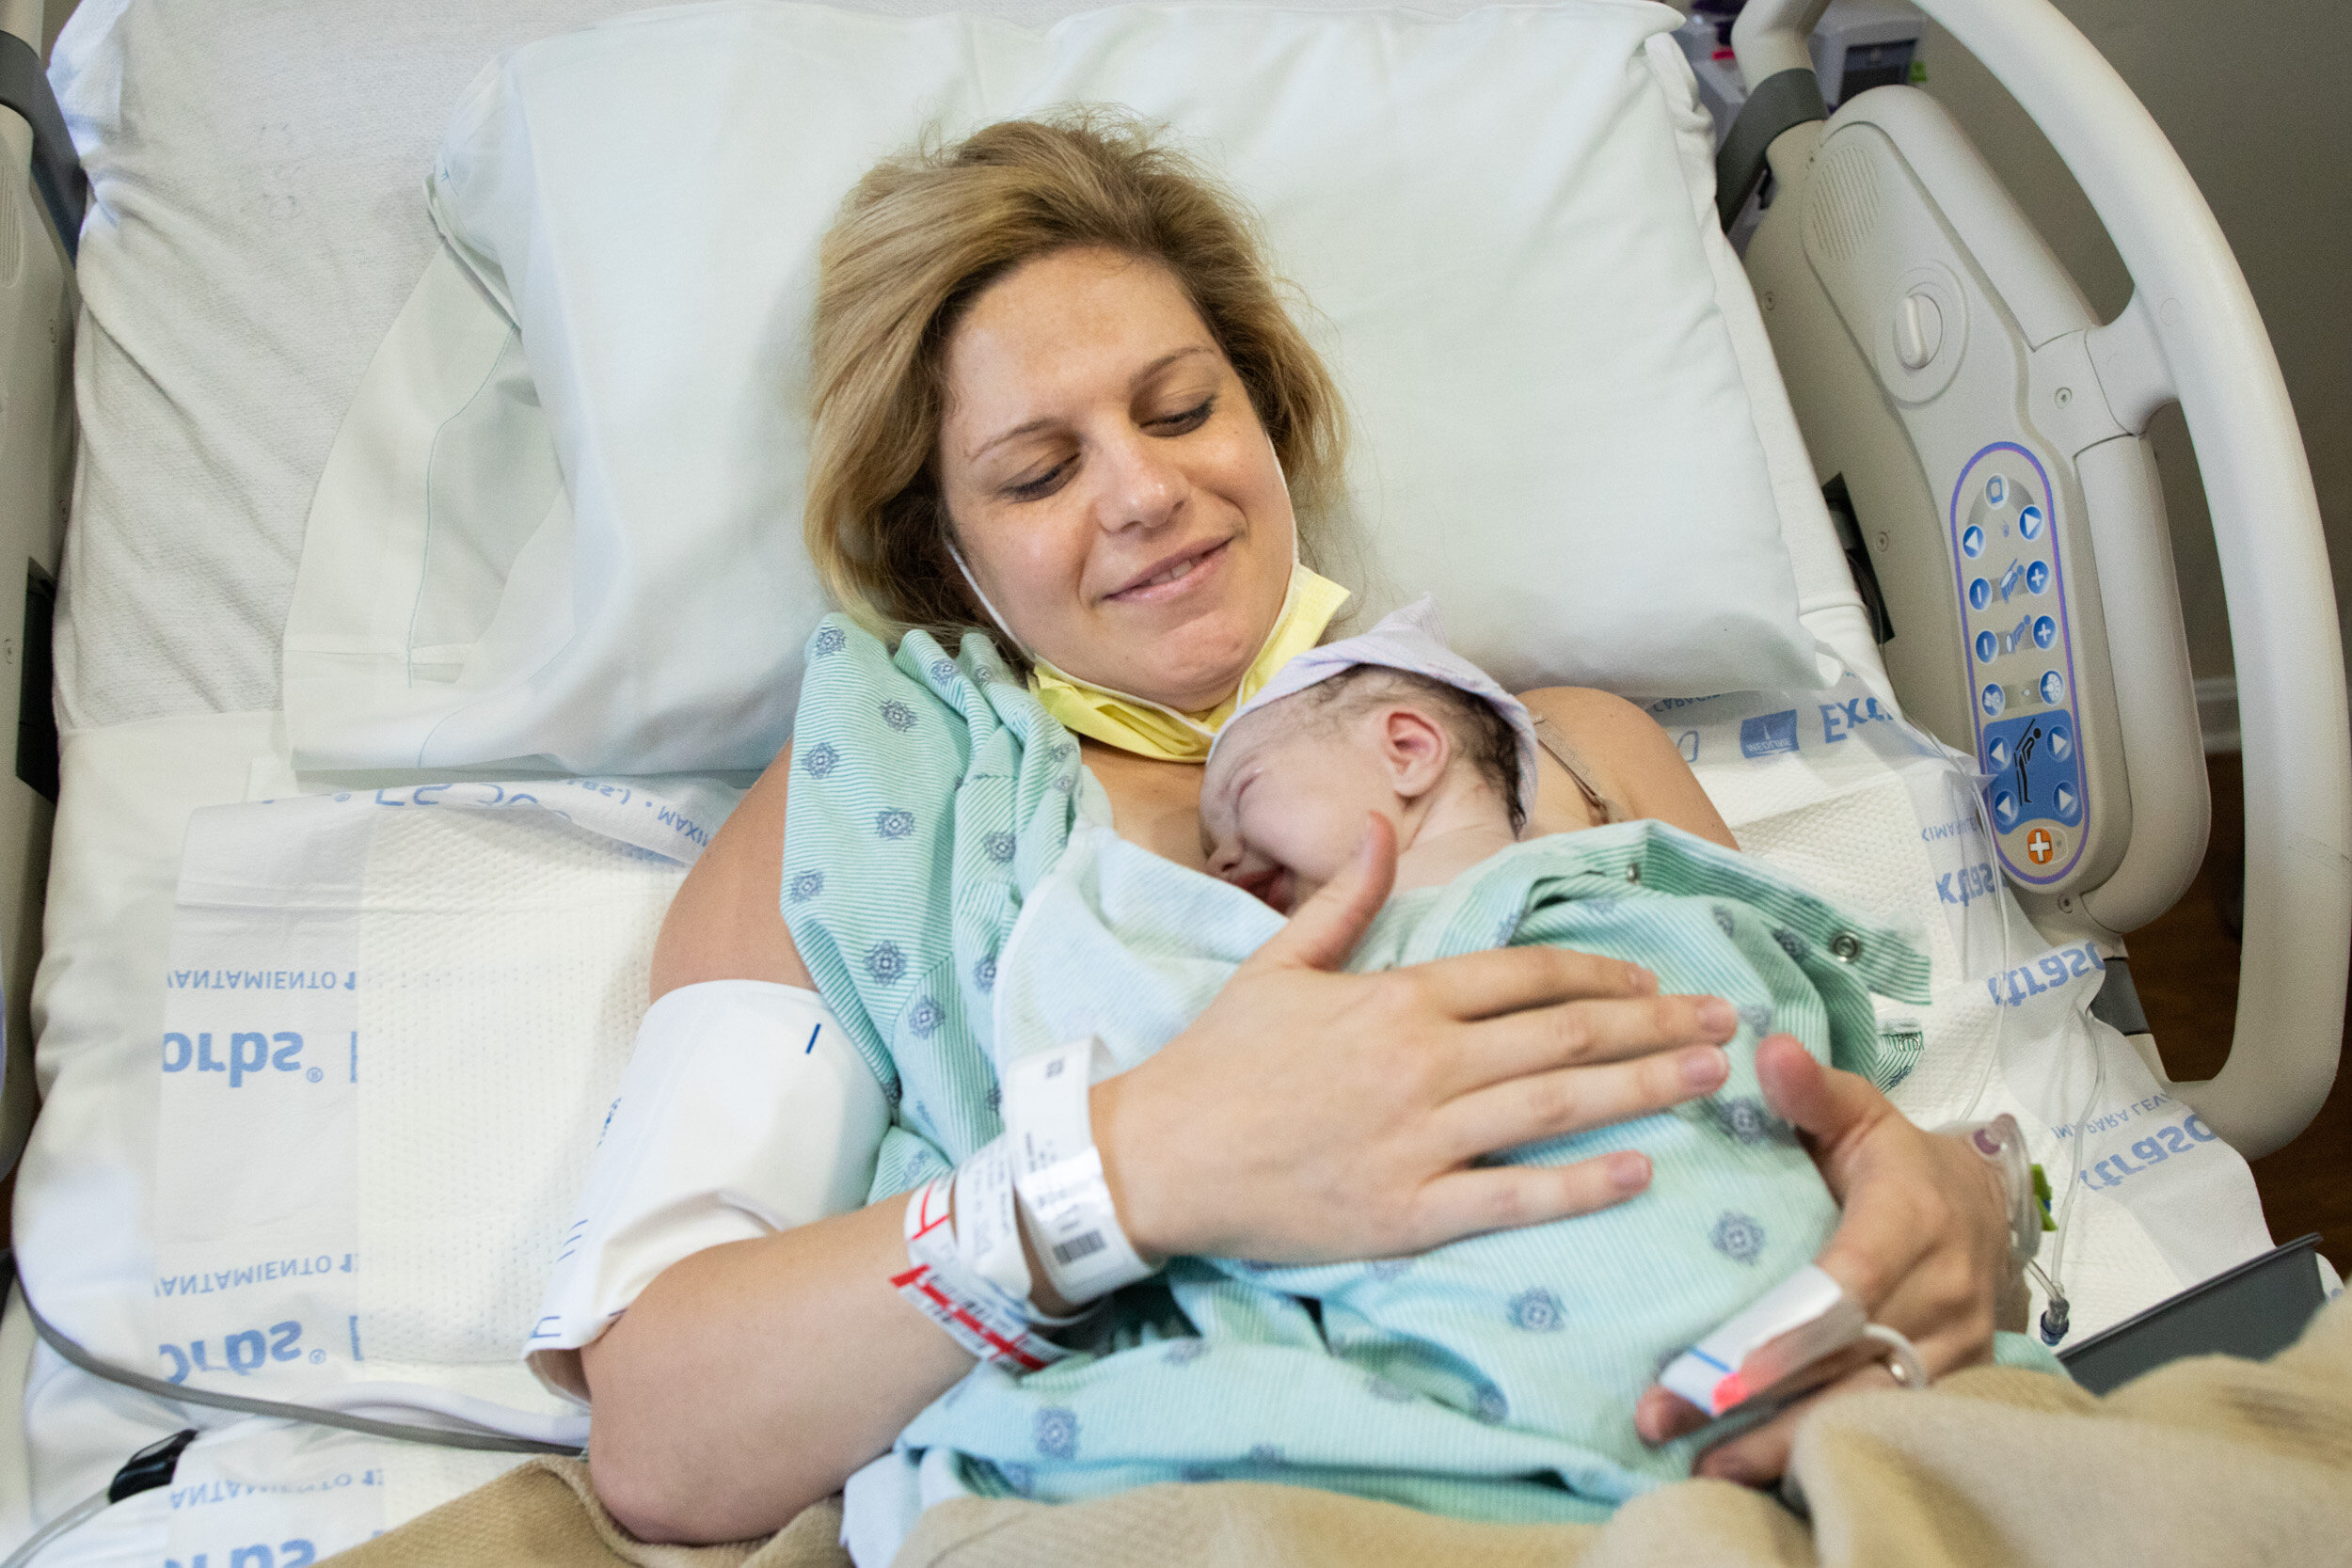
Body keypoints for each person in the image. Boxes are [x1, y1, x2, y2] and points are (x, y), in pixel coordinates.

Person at [548, 113, 2017, 1548]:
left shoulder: (1568, 752)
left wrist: (1964, 1209)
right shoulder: (883, 813)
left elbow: (1814, 1138)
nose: (1145, 490)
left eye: (1184, 409)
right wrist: (1127, 1168)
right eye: (1040, 472)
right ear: (947, 547)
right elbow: (666, 1432)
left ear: (1268, 417)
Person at [882, 597, 1979, 1520]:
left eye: (1246, 799)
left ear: (1407, 749)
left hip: (1821, 1352)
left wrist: (1961, 1180)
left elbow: (1805, 1054)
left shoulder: (1617, 880)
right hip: (1579, 1437)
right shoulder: (1298, 998)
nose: (1216, 860)